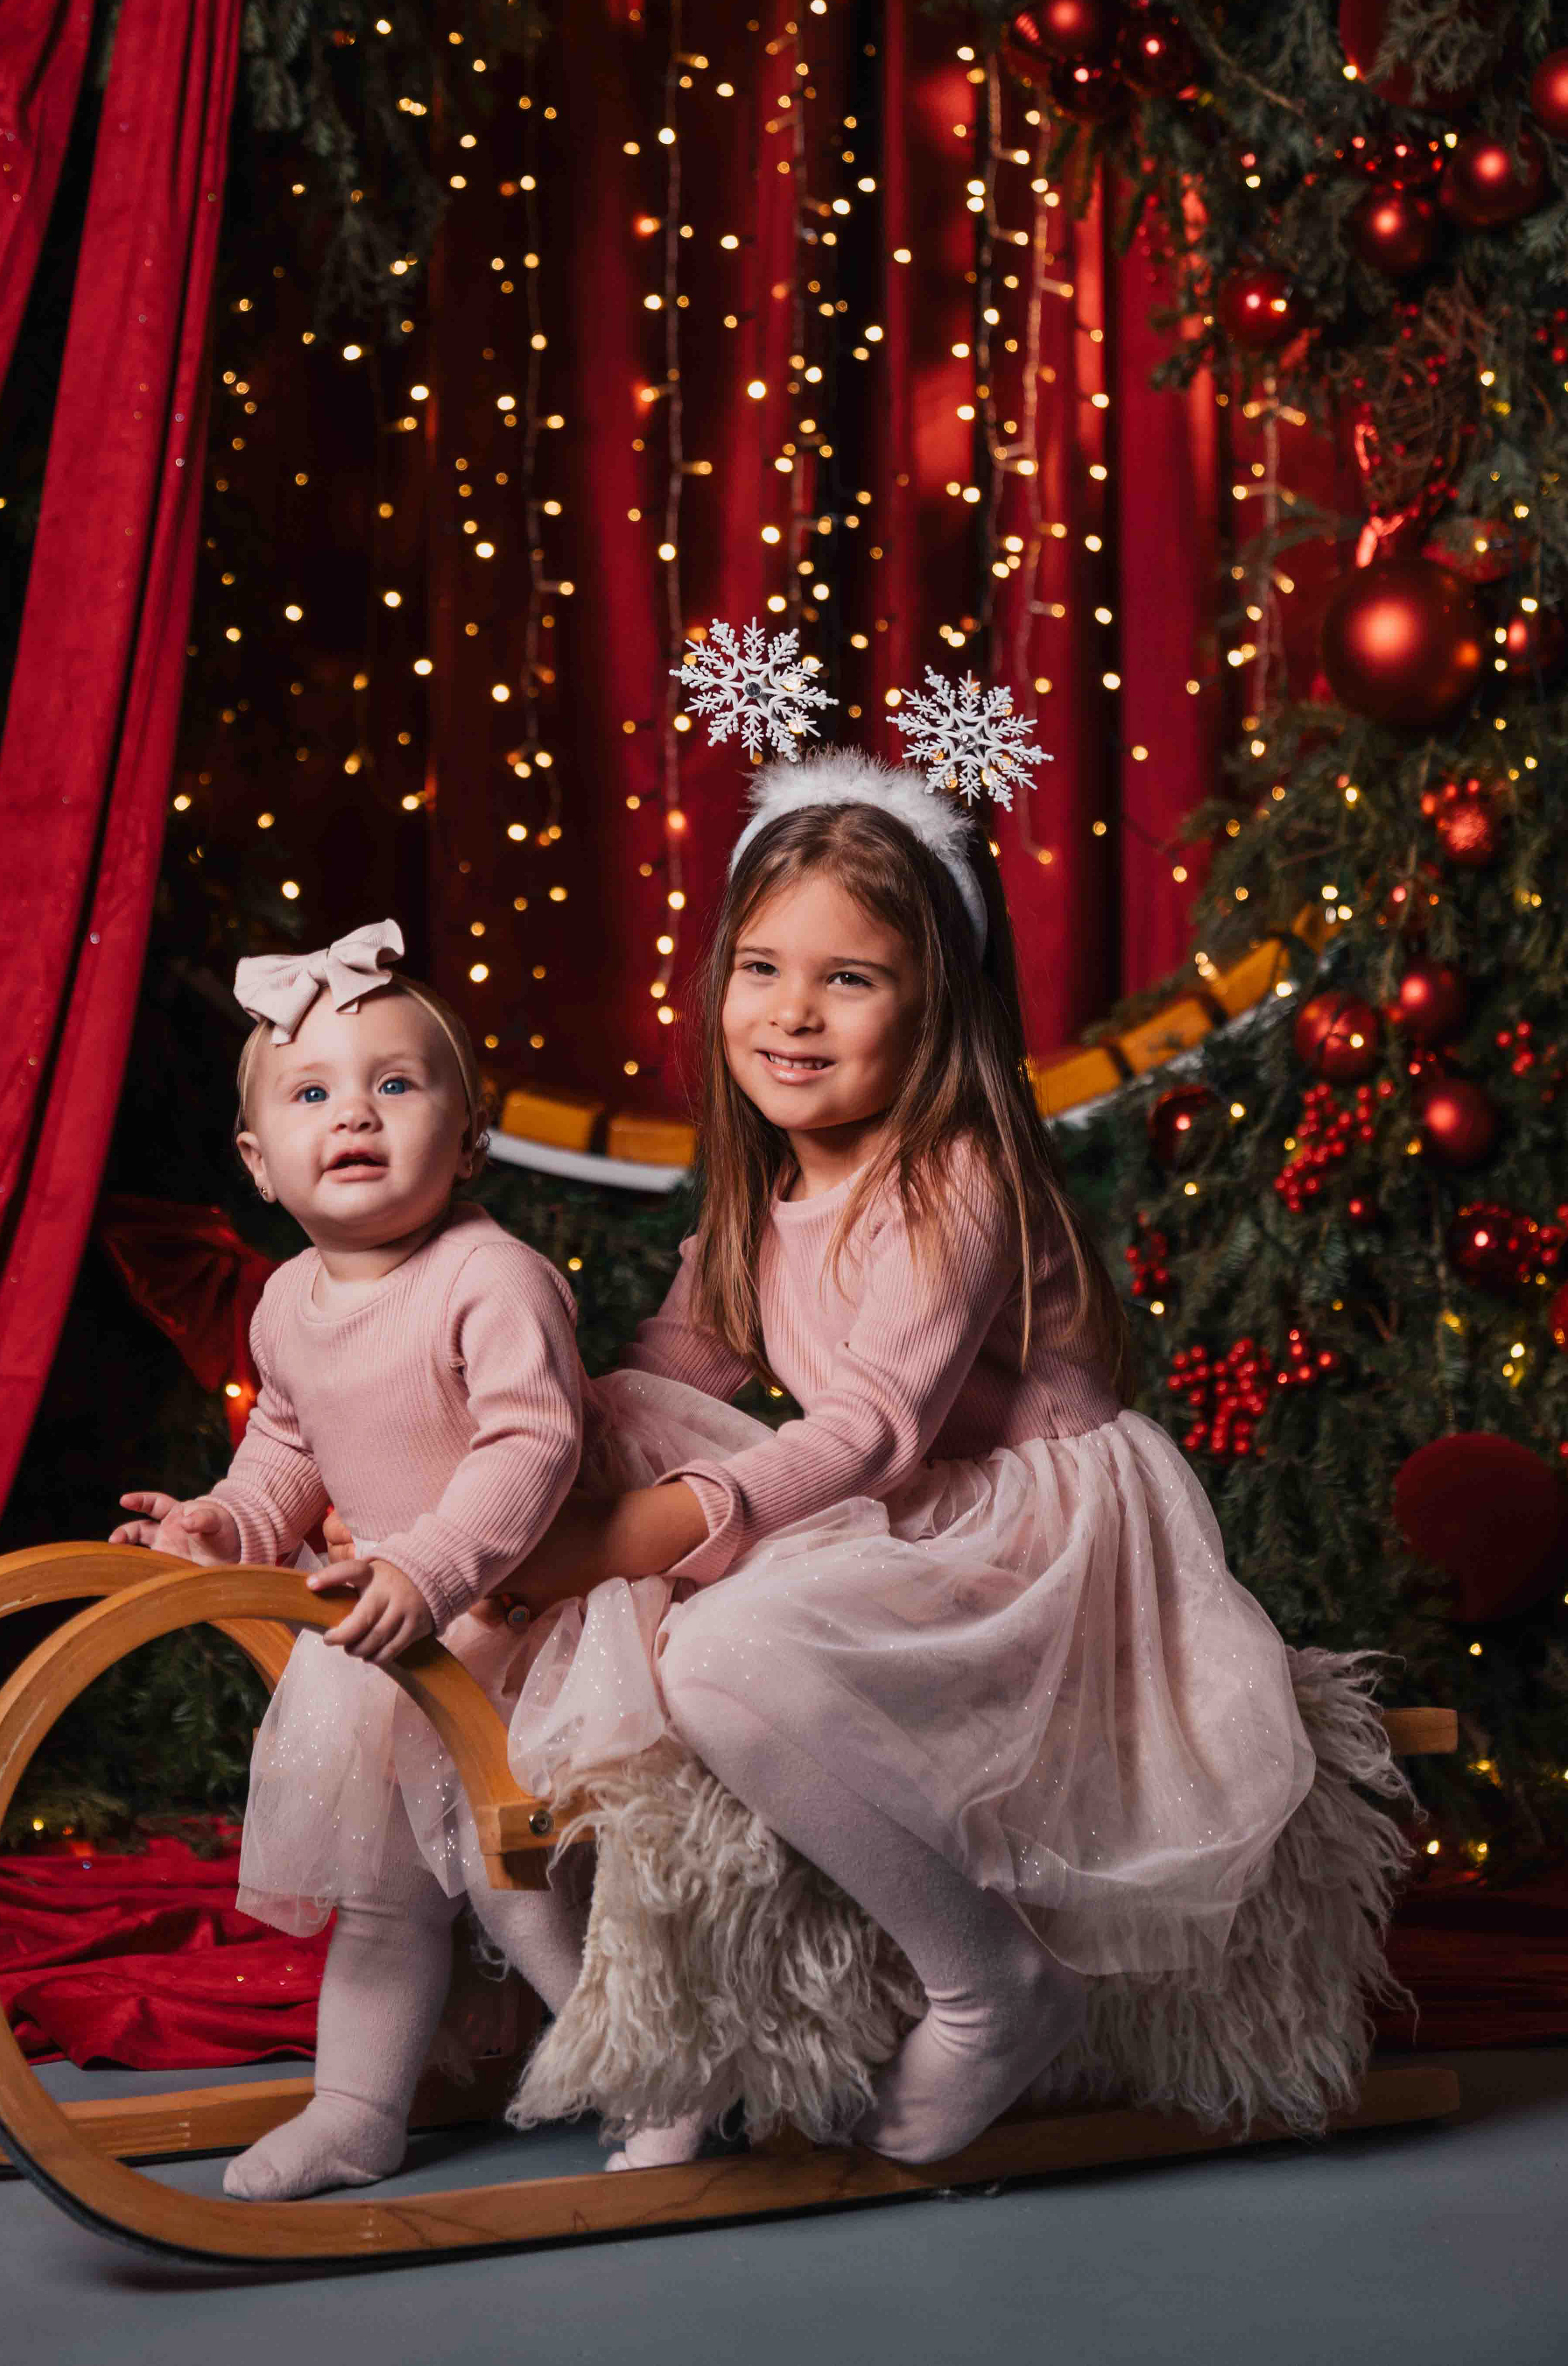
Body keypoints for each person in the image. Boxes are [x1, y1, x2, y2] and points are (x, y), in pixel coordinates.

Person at [485, 740, 1406, 2172]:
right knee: (615, 1487)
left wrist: (625, 1536)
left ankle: (993, 1982)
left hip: (1033, 1534)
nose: (793, 1013)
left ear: (936, 1007)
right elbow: (670, 1372)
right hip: (903, 1516)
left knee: (723, 1657)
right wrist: (495, 1490)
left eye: (849, 979)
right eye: (761, 968)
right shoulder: (762, 1186)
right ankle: (676, 2034)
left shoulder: (955, 1175)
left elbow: (871, 1428)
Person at [112, 920, 586, 2200]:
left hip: (509, 1610)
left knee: (510, 1868)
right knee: (379, 1888)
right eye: (314, 1096)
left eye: (396, 1085)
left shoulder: (493, 1277)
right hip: (384, 1636)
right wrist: (225, 1525)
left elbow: (534, 1446)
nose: (356, 1115)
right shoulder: (284, 1302)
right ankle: (357, 2110)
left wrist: (432, 1566)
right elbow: (285, 1451)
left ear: (470, 1136)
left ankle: (660, 2068)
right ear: (261, 1164)